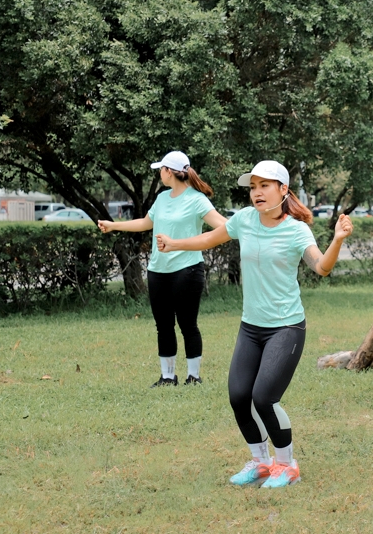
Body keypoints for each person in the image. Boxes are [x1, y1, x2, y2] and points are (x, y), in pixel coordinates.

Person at [156, 160, 353, 489]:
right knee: (238, 395)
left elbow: (321, 267)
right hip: (251, 327)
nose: (257, 192)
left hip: (286, 327)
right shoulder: (245, 220)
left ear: (283, 190)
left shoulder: (296, 229)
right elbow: (208, 240)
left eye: (265, 185)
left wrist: (338, 240)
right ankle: (261, 462)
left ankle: (287, 465)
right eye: (253, 187)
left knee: (263, 397)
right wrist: (175, 244)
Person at [98, 151, 227, 387]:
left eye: (161, 169)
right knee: (164, 325)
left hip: (187, 270)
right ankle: (168, 377)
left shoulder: (197, 200)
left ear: (170, 172)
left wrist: (198, 241)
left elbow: (225, 227)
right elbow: (146, 223)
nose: (159, 173)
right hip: (158, 271)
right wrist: (113, 225)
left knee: (188, 324)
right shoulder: (162, 198)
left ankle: (194, 376)